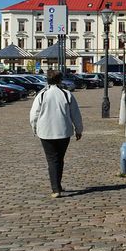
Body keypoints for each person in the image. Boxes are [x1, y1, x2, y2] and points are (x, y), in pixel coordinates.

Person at [29, 70, 84, 198]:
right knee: (59, 159)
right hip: (64, 132)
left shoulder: (41, 95)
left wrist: (34, 128)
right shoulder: (66, 94)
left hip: (46, 132)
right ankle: (57, 185)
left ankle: (56, 188)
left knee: (52, 160)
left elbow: (34, 115)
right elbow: (75, 114)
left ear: (47, 80)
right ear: (60, 80)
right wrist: (79, 129)